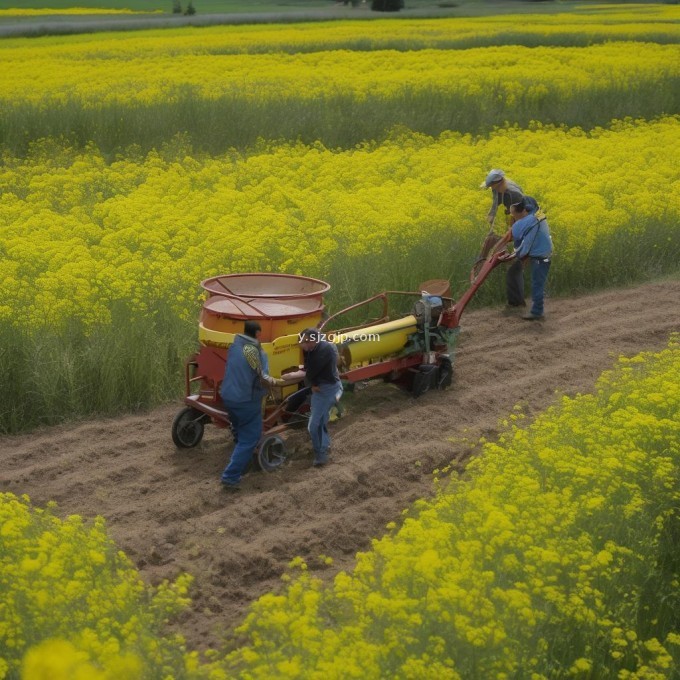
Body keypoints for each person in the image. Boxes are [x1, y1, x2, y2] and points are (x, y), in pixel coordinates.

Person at [219, 320, 285, 491]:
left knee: (238, 425)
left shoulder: (233, 347)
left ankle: (239, 444)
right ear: (257, 334)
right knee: (250, 438)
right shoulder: (259, 354)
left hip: (227, 396)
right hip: (246, 400)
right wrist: (279, 383)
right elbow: (263, 379)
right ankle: (230, 477)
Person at [480, 169, 539, 308]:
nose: (490, 189)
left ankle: (518, 303)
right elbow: (495, 207)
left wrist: (508, 235)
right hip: (513, 223)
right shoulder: (497, 190)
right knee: (489, 243)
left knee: (515, 266)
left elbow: (521, 219)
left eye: (491, 186)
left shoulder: (514, 195)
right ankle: (480, 271)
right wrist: (491, 222)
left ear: (498, 183)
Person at [498, 199, 553, 321]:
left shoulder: (525, 223)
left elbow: (521, 240)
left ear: (521, 211)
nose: (513, 218)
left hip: (541, 257)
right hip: (543, 253)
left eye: (514, 215)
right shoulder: (535, 213)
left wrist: (514, 255)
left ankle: (537, 312)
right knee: (537, 282)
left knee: (537, 283)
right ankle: (539, 305)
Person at [298, 328, 343, 467]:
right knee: (321, 420)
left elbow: (310, 374)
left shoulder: (324, 350)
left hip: (329, 390)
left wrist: (310, 382)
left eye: (307, 341)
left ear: (315, 339)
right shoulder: (314, 348)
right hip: (321, 389)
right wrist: (312, 384)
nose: (305, 345)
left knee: (313, 425)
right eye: (303, 341)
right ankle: (325, 445)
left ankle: (320, 455)